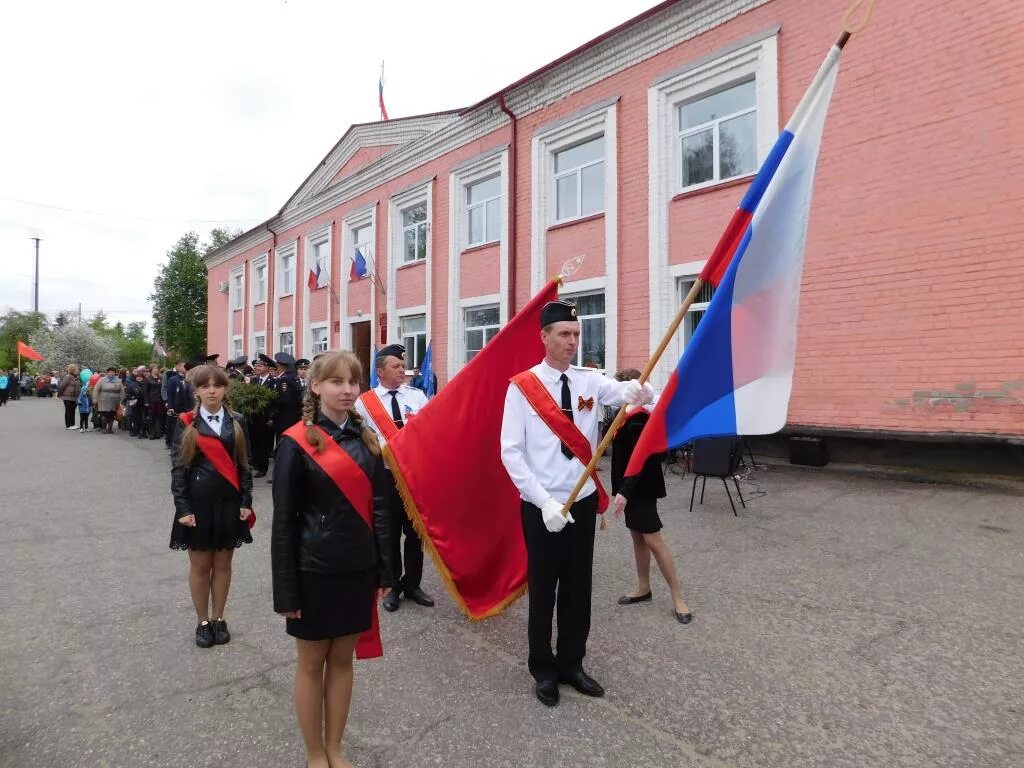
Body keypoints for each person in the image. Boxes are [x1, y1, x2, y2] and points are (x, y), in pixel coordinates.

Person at [499, 299, 653, 707]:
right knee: (544, 590)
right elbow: (511, 452)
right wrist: (543, 502)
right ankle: (543, 669)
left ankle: (572, 663)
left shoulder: (588, 381)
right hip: (543, 506)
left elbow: (624, 392)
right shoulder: (522, 387)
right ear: (544, 337)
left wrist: (642, 389)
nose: (572, 341)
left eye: (576, 334)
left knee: (578, 588)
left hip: (581, 502)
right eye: (564, 334)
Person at [271, 350, 393, 768]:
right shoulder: (295, 443)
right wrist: (286, 588)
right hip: (313, 571)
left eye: (353, 382)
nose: (346, 390)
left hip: (356, 570)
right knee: (311, 664)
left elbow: (380, 509)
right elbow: (284, 524)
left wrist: (384, 567)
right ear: (316, 386)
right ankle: (313, 753)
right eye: (337, 382)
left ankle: (336, 749)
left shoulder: (366, 439)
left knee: (342, 662)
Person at [169, 365, 253, 648]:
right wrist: (183, 508)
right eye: (205, 386)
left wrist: (246, 501)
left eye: (217, 386)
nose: (212, 391)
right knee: (201, 566)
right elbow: (179, 468)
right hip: (198, 505)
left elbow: (244, 466)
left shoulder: (238, 421)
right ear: (197, 391)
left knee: (224, 565)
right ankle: (202, 621)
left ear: (225, 389)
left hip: (229, 504)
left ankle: (219, 618)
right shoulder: (186, 422)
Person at [354, 343, 434, 612]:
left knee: (415, 533)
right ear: (380, 371)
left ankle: (412, 584)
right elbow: (359, 442)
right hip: (384, 477)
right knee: (387, 534)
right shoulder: (364, 403)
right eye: (396, 366)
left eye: (403, 366)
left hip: (413, 477)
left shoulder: (418, 397)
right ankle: (390, 586)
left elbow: (428, 434)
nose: (402, 370)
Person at [609, 369, 692, 625]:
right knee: (638, 538)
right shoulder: (625, 415)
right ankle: (643, 587)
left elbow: (642, 459)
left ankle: (679, 597)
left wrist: (624, 492)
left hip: (639, 488)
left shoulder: (640, 418)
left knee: (654, 541)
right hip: (628, 488)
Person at [249, 354, 278, 477]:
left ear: (267, 367)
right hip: (254, 418)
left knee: (265, 444)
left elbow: (275, 402)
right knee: (254, 441)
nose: (257, 368)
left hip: (266, 419)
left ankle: (263, 468)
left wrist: (271, 418)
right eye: (256, 366)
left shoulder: (273, 382)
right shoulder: (254, 380)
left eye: (260, 366)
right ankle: (256, 463)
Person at [271, 353, 304, 447]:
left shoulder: (284, 379)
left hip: (284, 417)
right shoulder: (293, 377)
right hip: (294, 415)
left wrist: (272, 401)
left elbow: (284, 399)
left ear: (279, 365)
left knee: (283, 441)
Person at [93, 367, 124, 434]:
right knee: (104, 414)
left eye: (113, 372)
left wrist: (122, 400)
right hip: (103, 400)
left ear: (115, 373)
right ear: (107, 372)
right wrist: (95, 398)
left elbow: (122, 391)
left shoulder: (119, 380)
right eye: (110, 372)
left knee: (111, 415)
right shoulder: (102, 380)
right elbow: (96, 389)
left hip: (115, 400)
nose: (111, 373)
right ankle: (104, 429)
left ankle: (110, 429)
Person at [57, 365, 82, 429]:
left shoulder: (76, 377)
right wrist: (60, 394)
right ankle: (68, 425)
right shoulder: (68, 377)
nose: (78, 370)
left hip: (74, 397)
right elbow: (62, 386)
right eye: (76, 369)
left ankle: (72, 424)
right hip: (67, 396)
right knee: (69, 411)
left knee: (72, 410)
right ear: (72, 370)